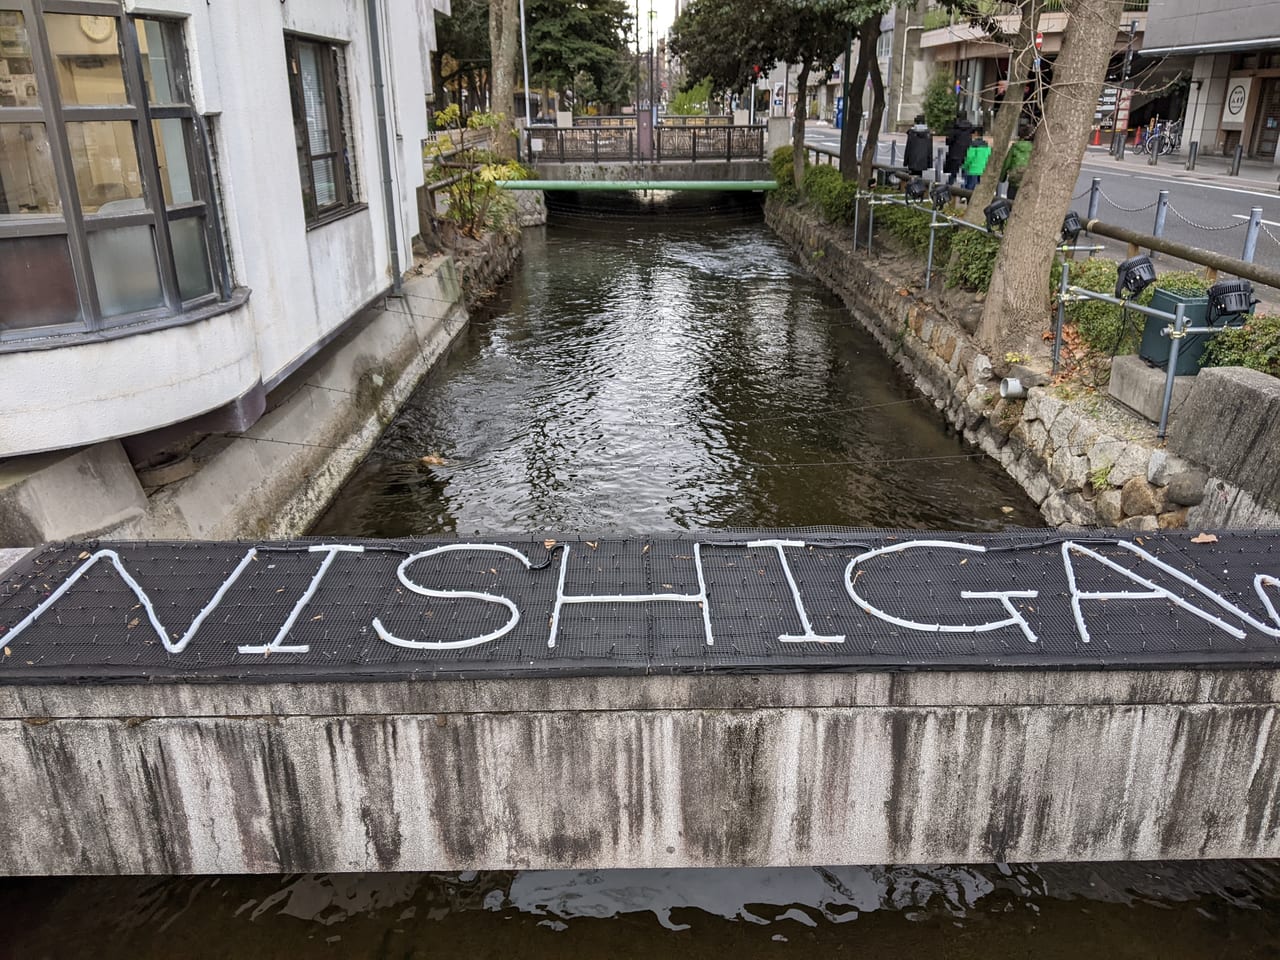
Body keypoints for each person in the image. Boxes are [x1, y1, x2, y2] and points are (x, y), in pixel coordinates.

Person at [1001, 125, 1034, 200]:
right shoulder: (1035, 148)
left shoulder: (1015, 147)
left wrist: (1002, 177)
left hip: (1015, 178)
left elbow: (1007, 163)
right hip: (1028, 179)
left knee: (1011, 200)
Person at [943, 112, 973, 186]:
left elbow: (949, 141)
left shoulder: (955, 128)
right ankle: (965, 188)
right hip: (966, 152)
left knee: (953, 173)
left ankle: (949, 187)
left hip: (955, 153)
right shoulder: (969, 128)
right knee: (965, 173)